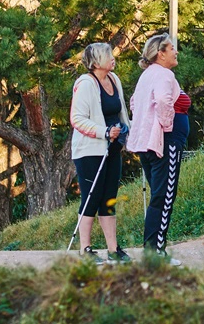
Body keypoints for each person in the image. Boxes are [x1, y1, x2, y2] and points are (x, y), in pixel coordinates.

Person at [125, 32, 190, 265]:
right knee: (164, 197)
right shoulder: (164, 74)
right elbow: (163, 100)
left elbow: (134, 103)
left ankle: (152, 250)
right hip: (165, 142)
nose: (176, 51)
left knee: (158, 196)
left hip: (148, 143)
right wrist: (166, 123)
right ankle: (155, 253)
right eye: (172, 48)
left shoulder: (147, 75)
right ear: (161, 53)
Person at [69, 42, 132, 264]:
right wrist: (103, 132)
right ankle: (84, 249)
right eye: (108, 55)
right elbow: (77, 119)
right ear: (96, 62)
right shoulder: (86, 83)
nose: (113, 58)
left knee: (109, 198)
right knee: (92, 197)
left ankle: (113, 249)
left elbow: (121, 113)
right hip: (90, 150)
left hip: (113, 148)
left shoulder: (114, 80)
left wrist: (129, 133)